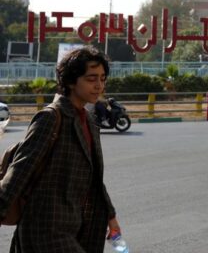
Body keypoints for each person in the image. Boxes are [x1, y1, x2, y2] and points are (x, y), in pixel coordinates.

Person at [0, 46, 120, 252]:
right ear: (71, 81)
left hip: (76, 225)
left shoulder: (89, 122)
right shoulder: (51, 117)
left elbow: (95, 179)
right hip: (44, 229)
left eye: (102, 78)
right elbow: (18, 173)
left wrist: (111, 217)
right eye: (91, 79)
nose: (99, 85)